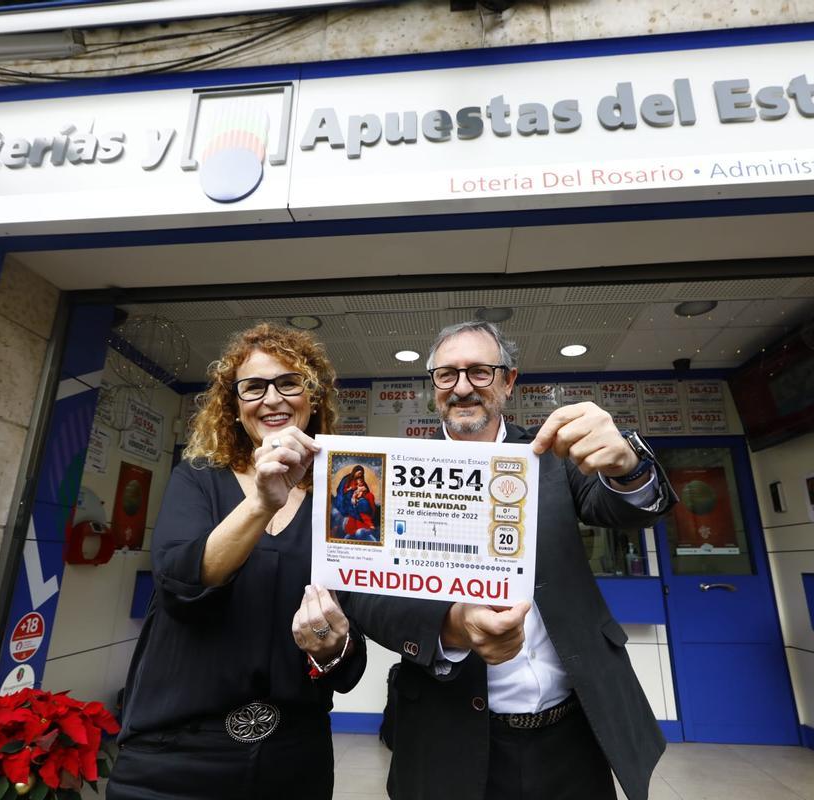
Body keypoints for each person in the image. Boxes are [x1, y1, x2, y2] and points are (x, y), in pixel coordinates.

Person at [345, 320, 676, 800]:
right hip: (448, 733)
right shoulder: (396, 473)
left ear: (508, 380)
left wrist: (627, 465)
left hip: (575, 729)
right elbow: (363, 593)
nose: (462, 388)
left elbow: (629, 508)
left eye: (480, 372)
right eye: (447, 375)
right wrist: (451, 625)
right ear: (433, 386)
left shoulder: (553, 456)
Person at [108, 322, 366, 800]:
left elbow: (354, 632)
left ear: (314, 397)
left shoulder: (340, 499)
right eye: (254, 387)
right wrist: (261, 503)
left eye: (290, 382)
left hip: (294, 758)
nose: (273, 399)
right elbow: (180, 587)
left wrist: (333, 649)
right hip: (176, 756)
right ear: (234, 404)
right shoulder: (198, 478)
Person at [331, 464, 380, 542]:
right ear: (354, 472)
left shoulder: (361, 480)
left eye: (361, 473)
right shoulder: (346, 479)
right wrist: (351, 491)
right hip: (346, 499)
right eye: (358, 473)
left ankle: (366, 522)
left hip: (358, 498)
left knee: (367, 500)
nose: (360, 475)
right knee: (361, 504)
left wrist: (363, 493)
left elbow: (366, 491)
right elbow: (342, 491)